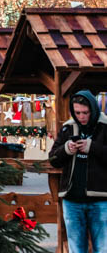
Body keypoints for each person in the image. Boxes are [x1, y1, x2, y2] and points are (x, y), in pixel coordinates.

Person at [49, 90, 106, 253]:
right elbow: (53, 159)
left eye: (85, 113)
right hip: (72, 198)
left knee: (103, 247)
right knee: (76, 247)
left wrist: (92, 148)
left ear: (93, 110)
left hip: (101, 198)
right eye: (77, 112)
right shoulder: (67, 128)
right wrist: (66, 149)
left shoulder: (105, 128)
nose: (81, 117)